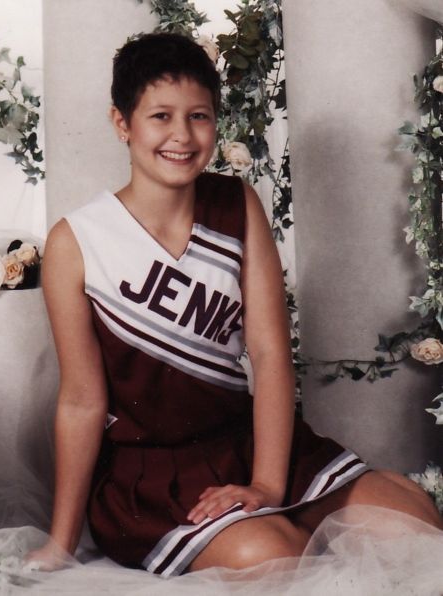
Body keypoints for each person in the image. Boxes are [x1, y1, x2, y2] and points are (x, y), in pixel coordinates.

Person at [29, 32, 442, 576]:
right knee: (271, 555)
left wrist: (267, 483)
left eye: (199, 116)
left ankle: (277, 512)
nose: (182, 135)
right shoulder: (75, 241)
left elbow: (270, 354)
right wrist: (61, 543)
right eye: (160, 116)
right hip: (150, 477)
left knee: (413, 521)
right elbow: (82, 401)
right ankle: (263, 530)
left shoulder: (237, 203)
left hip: (247, 444)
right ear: (121, 122)